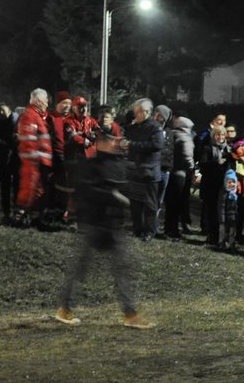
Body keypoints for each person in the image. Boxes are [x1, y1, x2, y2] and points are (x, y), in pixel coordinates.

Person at [54, 130, 154, 328]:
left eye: (116, 140)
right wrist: (111, 195)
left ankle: (130, 314)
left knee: (122, 271)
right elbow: (84, 191)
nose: (115, 144)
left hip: (114, 226)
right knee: (80, 270)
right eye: (111, 141)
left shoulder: (122, 164)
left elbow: (134, 184)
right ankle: (64, 309)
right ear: (100, 144)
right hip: (94, 224)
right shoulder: (90, 165)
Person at [123, 97, 165, 239]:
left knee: (150, 204)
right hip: (134, 170)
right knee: (135, 202)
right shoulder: (133, 127)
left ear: (145, 112)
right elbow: (126, 139)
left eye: (137, 112)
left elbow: (156, 145)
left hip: (149, 172)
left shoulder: (155, 127)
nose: (135, 115)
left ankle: (149, 231)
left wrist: (132, 145)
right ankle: (137, 229)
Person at [13, 88, 52, 224]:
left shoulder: (37, 116)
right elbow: (29, 140)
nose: (47, 102)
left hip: (39, 161)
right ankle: (20, 216)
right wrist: (36, 157)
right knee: (29, 187)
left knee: (36, 189)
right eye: (46, 99)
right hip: (33, 161)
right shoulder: (30, 116)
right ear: (38, 100)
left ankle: (34, 218)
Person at [163, 116, 196, 238]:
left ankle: (168, 228)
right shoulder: (185, 137)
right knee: (178, 202)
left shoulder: (171, 134)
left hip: (170, 171)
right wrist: (192, 169)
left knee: (170, 202)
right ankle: (174, 230)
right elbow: (188, 156)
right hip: (181, 173)